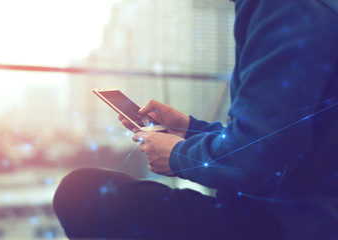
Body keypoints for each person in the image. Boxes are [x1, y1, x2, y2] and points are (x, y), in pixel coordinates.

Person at [53, 0, 338, 239]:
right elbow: (278, 140)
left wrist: (177, 156)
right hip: (297, 211)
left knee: (79, 194)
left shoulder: (287, 9)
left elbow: (259, 164)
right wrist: (189, 130)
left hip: (282, 224)